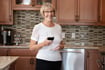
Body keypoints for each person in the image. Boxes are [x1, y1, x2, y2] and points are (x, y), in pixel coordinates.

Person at [29, 2, 64, 70]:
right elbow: (31, 47)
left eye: (51, 11)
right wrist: (43, 43)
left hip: (57, 60)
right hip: (43, 61)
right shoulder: (38, 27)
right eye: (47, 12)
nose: (50, 14)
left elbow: (62, 44)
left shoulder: (58, 27)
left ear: (54, 13)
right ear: (43, 13)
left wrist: (61, 46)